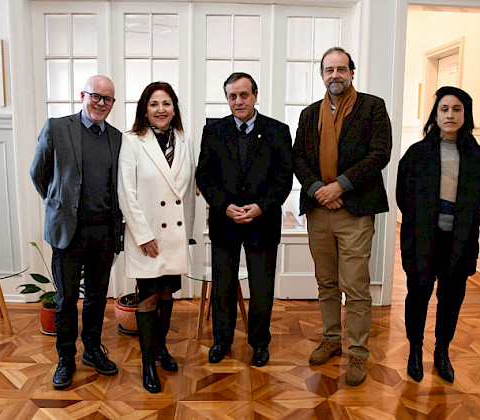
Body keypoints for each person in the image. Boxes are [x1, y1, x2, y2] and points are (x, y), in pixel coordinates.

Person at [292, 47, 392, 386]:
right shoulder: (309, 115)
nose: (335, 74)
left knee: (356, 286)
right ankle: (331, 340)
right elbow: (298, 159)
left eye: (341, 69)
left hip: (355, 209)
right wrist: (320, 188)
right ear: (322, 75)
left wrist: (341, 187)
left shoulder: (372, 106)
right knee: (327, 282)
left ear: (352, 72)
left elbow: (380, 153)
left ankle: (358, 354)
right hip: (319, 210)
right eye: (329, 69)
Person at [30, 75, 122, 390]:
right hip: (68, 232)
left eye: (108, 99)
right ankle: (65, 358)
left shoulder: (117, 137)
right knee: (67, 299)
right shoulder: (57, 127)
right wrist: (59, 204)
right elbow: (38, 173)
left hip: (104, 233)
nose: (101, 103)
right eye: (96, 96)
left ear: (113, 103)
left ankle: (92, 351)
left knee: (97, 297)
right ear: (83, 95)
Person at [196, 72, 293, 367]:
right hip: (225, 222)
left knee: (262, 287)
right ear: (226, 98)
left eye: (244, 95)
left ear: (255, 95)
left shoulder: (278, 130)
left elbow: (284, 178)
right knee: (223, 285)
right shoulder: (213, 130)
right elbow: (204, 175)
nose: (238, 101)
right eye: (232, 96)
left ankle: (260, 343)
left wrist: (261, 207)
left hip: (262, 222)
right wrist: (223, 206)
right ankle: (221, 341)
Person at [397, 86, 480, 383]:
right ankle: (415, 351)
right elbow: (403, 196)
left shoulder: (478, 157)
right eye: (444, 109)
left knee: (451, 298)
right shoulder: (417, 154)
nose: (450, 115)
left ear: (466, 114)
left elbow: (478, 200)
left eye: (457, 109)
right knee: (418, 295)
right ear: (435, 115)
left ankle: (442, 351)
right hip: (423, 239)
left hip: (459, 242)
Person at [118, 82, 195, 393]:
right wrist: (142, 235)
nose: (161, 109)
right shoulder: (132, 141)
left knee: (167, 295)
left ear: (174, 108)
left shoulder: (185, 140)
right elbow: (127, 191)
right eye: (154, 104)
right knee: (148, 298)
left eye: (166, 103)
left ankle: (161, 348)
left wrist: (187, 233)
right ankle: (148, 362)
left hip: (174, 235)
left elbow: (187, 193)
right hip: (146, 238)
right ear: (144, 110)